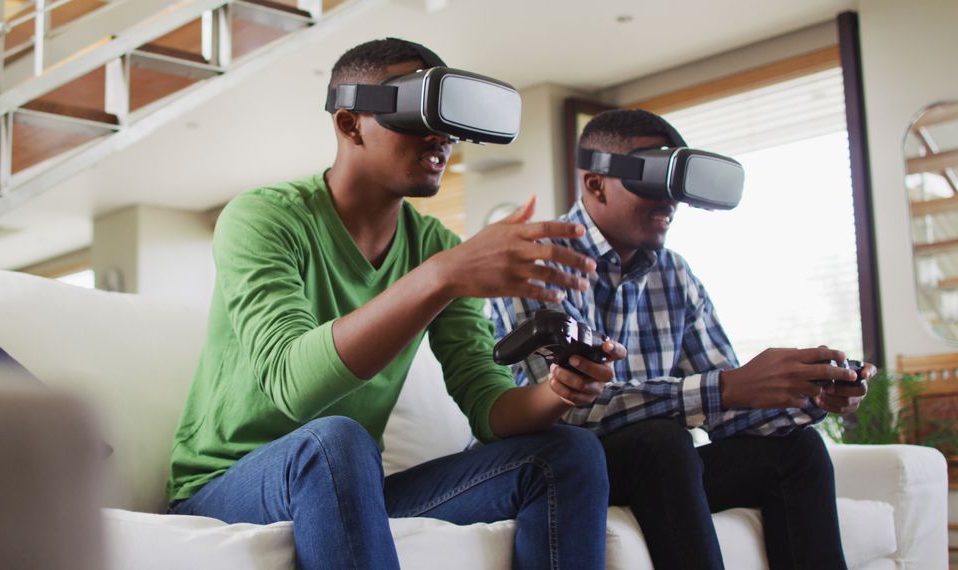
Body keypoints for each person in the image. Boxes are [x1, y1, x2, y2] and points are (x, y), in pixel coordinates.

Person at [166, 38, 624, 570]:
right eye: (416, 111)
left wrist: (556, 393)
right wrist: (441, 277)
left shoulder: (434, 246)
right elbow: (292, 384)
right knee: (335, 440)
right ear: (349, 123)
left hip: (346, 481)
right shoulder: (261, 219)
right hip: (226, 486)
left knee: (568, 452)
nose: (441, 136)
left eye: (447, 119)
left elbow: (489, 407)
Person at [490, 108, 876, 570]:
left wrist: (806, 392)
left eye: (675, 184)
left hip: (663, 470)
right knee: (659, 439)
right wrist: (728, 386)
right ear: (595, 184)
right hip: (564, 466)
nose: (668, 201)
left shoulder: (675, 274)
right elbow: (570, 409)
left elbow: (728, 402)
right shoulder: (536, 264)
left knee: (798, 450)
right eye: (653, 179)